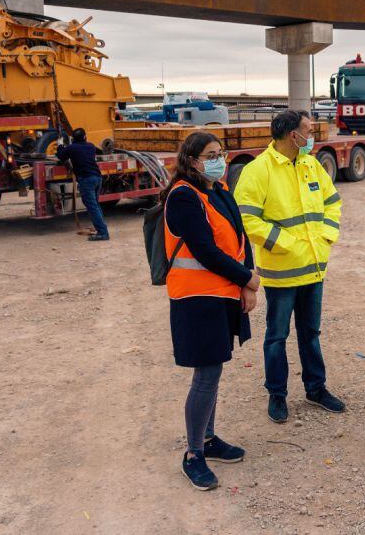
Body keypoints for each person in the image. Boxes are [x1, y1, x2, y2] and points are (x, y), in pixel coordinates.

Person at [234, 109, 345, 424]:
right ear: (291, 135)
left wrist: (326, 236)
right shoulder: (259, 171)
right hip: (283, 273)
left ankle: (316, 389)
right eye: (307, 131)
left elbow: (332, 203)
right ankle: (277, 395)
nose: (311, 136)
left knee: (310, 333)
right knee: (277, 336)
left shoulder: (310, 164)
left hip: (314, 268)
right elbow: (246, 217)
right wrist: (285, 244)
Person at [162, 132, 259, 491]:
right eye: (211, 155)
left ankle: (209, 438)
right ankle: (193, 454)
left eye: (221, 153)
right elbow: (205, 251)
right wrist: (248, 279)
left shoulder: (218, 191)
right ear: (191, 161)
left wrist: (244, 284)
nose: (219, 160)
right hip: (196, 299)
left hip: (222, 294)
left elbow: (239, 237)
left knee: (214, 370)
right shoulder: (184, 197)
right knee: (207, 373)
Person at [56, 128, 108, 241]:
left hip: (86, 180)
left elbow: (60, 156)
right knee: (95, 205)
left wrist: (60, 145)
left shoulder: (72, 148)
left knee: (92, 206)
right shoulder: (91, 146)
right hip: (97, 178)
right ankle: (101, 228)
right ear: (85, 137)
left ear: (73, 139)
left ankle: (103, 233)